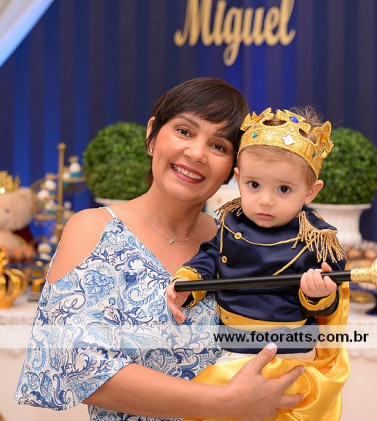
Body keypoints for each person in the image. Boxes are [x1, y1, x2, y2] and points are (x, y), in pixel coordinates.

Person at [13, 78, 305, 421]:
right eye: (184, 131)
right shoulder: (94, 229)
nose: (196, 153)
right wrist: (223, 401)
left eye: (218, 146)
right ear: (152, 134)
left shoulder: (236, 242)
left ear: (233, 170)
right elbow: (81, 364)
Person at [166, 107, 350, 420]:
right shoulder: (230, 221)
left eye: (283, 189)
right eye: (254, 185)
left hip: (289, 354)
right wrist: (188, 284)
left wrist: (317, 294)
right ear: (238, 179)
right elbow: (210, 256)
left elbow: (329, 305)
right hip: (233, 347)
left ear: (310, 191)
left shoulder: (317, 238)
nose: (265, 200)